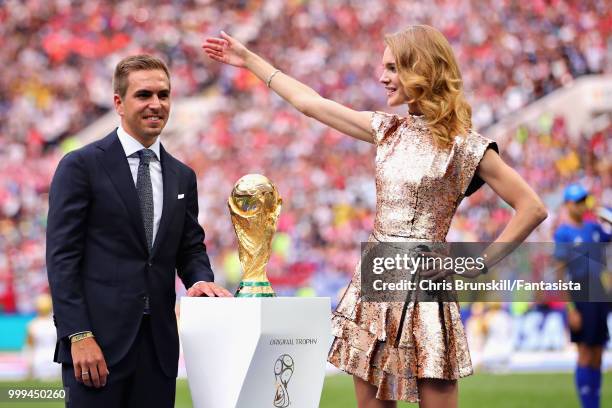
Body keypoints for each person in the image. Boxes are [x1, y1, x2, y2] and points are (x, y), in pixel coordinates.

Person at [203, 25, 547, 408]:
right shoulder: (387, 129)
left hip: (425, 290)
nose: (382, 77)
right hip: (377, 279)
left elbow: (532, 207)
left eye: (393, 68)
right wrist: (249, 60)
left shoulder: (466, 147)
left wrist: (472, 263)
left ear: (423, 70)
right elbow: (310, 104)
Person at [46, 54, 232, 408]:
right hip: (95, 348)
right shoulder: (80, 165)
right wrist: (78, 334)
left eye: (164, 95)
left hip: (158, 351)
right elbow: (61, 259)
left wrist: (199, 281)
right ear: (118, 103)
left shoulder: (182, 176)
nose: (156, 104)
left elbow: (190, 249)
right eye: (144, 95)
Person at [553, 183, 610, 408]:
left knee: (598, 351)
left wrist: (603, 213)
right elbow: (559, 273)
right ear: (568, 205)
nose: (581, 205)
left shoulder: (593, 228)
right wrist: (570, 309)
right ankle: (588, 405)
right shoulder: (563, 233)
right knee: (585, 350)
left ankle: (594, 402)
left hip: (600, 291)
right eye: (577, 202)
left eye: (583, 200)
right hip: (580, 292)